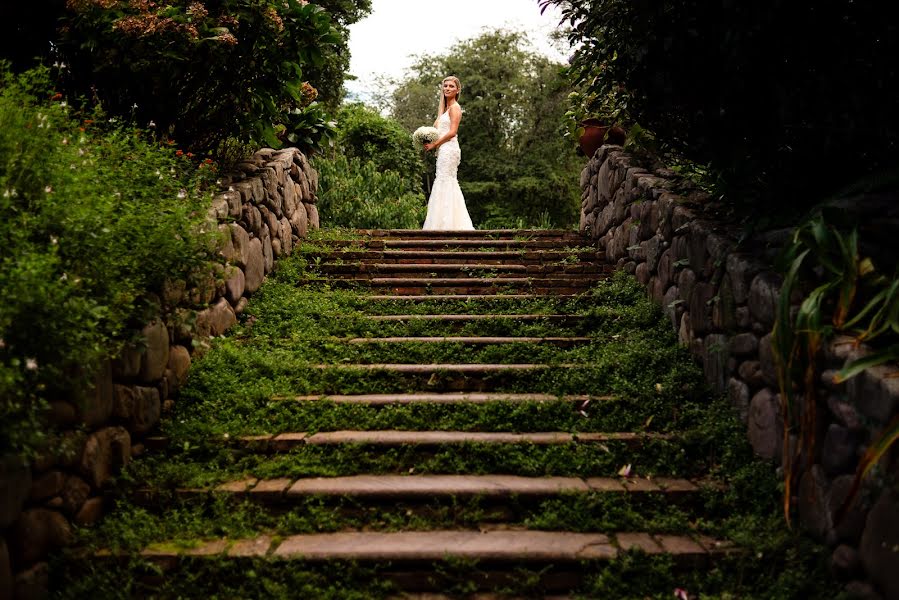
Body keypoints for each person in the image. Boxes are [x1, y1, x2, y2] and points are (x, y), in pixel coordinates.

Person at [422, 75, 475, 230]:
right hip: (443, 150)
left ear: (457, 90)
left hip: (449, 149)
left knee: (446, 181)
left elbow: (452, 132)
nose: (447, 88)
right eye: (445, 86)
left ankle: (451, 224)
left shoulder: (455, 108)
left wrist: (435, 145)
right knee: (442, 181)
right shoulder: (444, 110)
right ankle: (439, 223)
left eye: (451, 86)